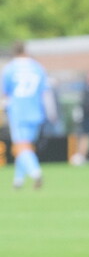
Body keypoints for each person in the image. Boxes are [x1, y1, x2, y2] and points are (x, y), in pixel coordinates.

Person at [1, 42, 50, 189]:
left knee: (21, 146)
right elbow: (45, 92)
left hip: (18, 112)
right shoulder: (38, 67)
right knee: (26, 146)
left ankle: (35, 172)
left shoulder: (10, 68)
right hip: (35, 111)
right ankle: (18, 180)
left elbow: (5, 93)